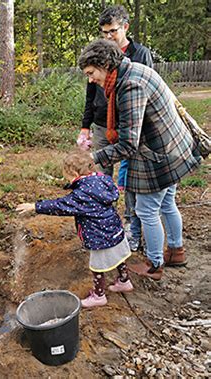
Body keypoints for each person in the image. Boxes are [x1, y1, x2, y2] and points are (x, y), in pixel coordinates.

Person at [78, 39, 201, 280]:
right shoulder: (134, 69)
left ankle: (155, 264)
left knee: (146, 210)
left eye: (91, 73)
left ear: (104, 64)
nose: (91, 79)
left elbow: (128, 145)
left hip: (159, 154)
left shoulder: (129, 85)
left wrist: (93, 159)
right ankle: (176, 251)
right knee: (166, 203)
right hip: (173, 147)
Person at [78, 5, 153, 252]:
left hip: (131, 128)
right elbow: (91, 94)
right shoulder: (96, 55)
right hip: (102, 125)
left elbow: (145, 93)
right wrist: (85, 127)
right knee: (101, 177)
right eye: (104, 32)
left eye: (112, 31)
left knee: (131, 181)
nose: (108, 36)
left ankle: (133, 229)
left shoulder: (139, 54)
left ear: (125, 27)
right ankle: (102, 222)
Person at [16, 150, 133, 309]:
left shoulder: (82, 194)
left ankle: (99, 296)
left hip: (100, 236)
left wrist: (35, 206)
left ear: (73, 172)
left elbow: (60, 206)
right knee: (119, 257)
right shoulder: (102, 180)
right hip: (115, 230)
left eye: (67, 176)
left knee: (97, 267)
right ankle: (124, 281)